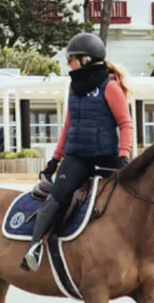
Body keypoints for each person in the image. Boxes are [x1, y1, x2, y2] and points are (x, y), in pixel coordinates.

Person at [21, 32, 134, 272]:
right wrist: (55, 159)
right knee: (58, 196)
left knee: (127, 199)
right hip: (77, 156)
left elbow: (126, 123)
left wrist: (124, 154)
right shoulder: (74, 88)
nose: (68, 63)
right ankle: (35, 248)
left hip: (107, 157)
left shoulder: (110, 86)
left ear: (86, 59)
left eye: (71, 58)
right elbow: (68, 126)